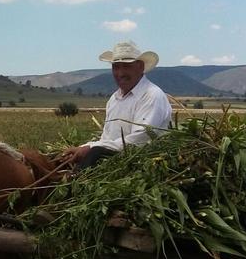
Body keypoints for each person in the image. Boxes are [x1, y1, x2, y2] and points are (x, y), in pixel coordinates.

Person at [63, 40, 172, 170]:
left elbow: (140, 141)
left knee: (94, 154)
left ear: (140, 67)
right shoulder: (114, 99)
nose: (120, 73)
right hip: (114, 159)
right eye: (116, 67)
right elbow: (106, 139)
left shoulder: (152, 95)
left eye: (126, 66)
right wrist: (84, 147)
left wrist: (92, 149)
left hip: (142, 163)